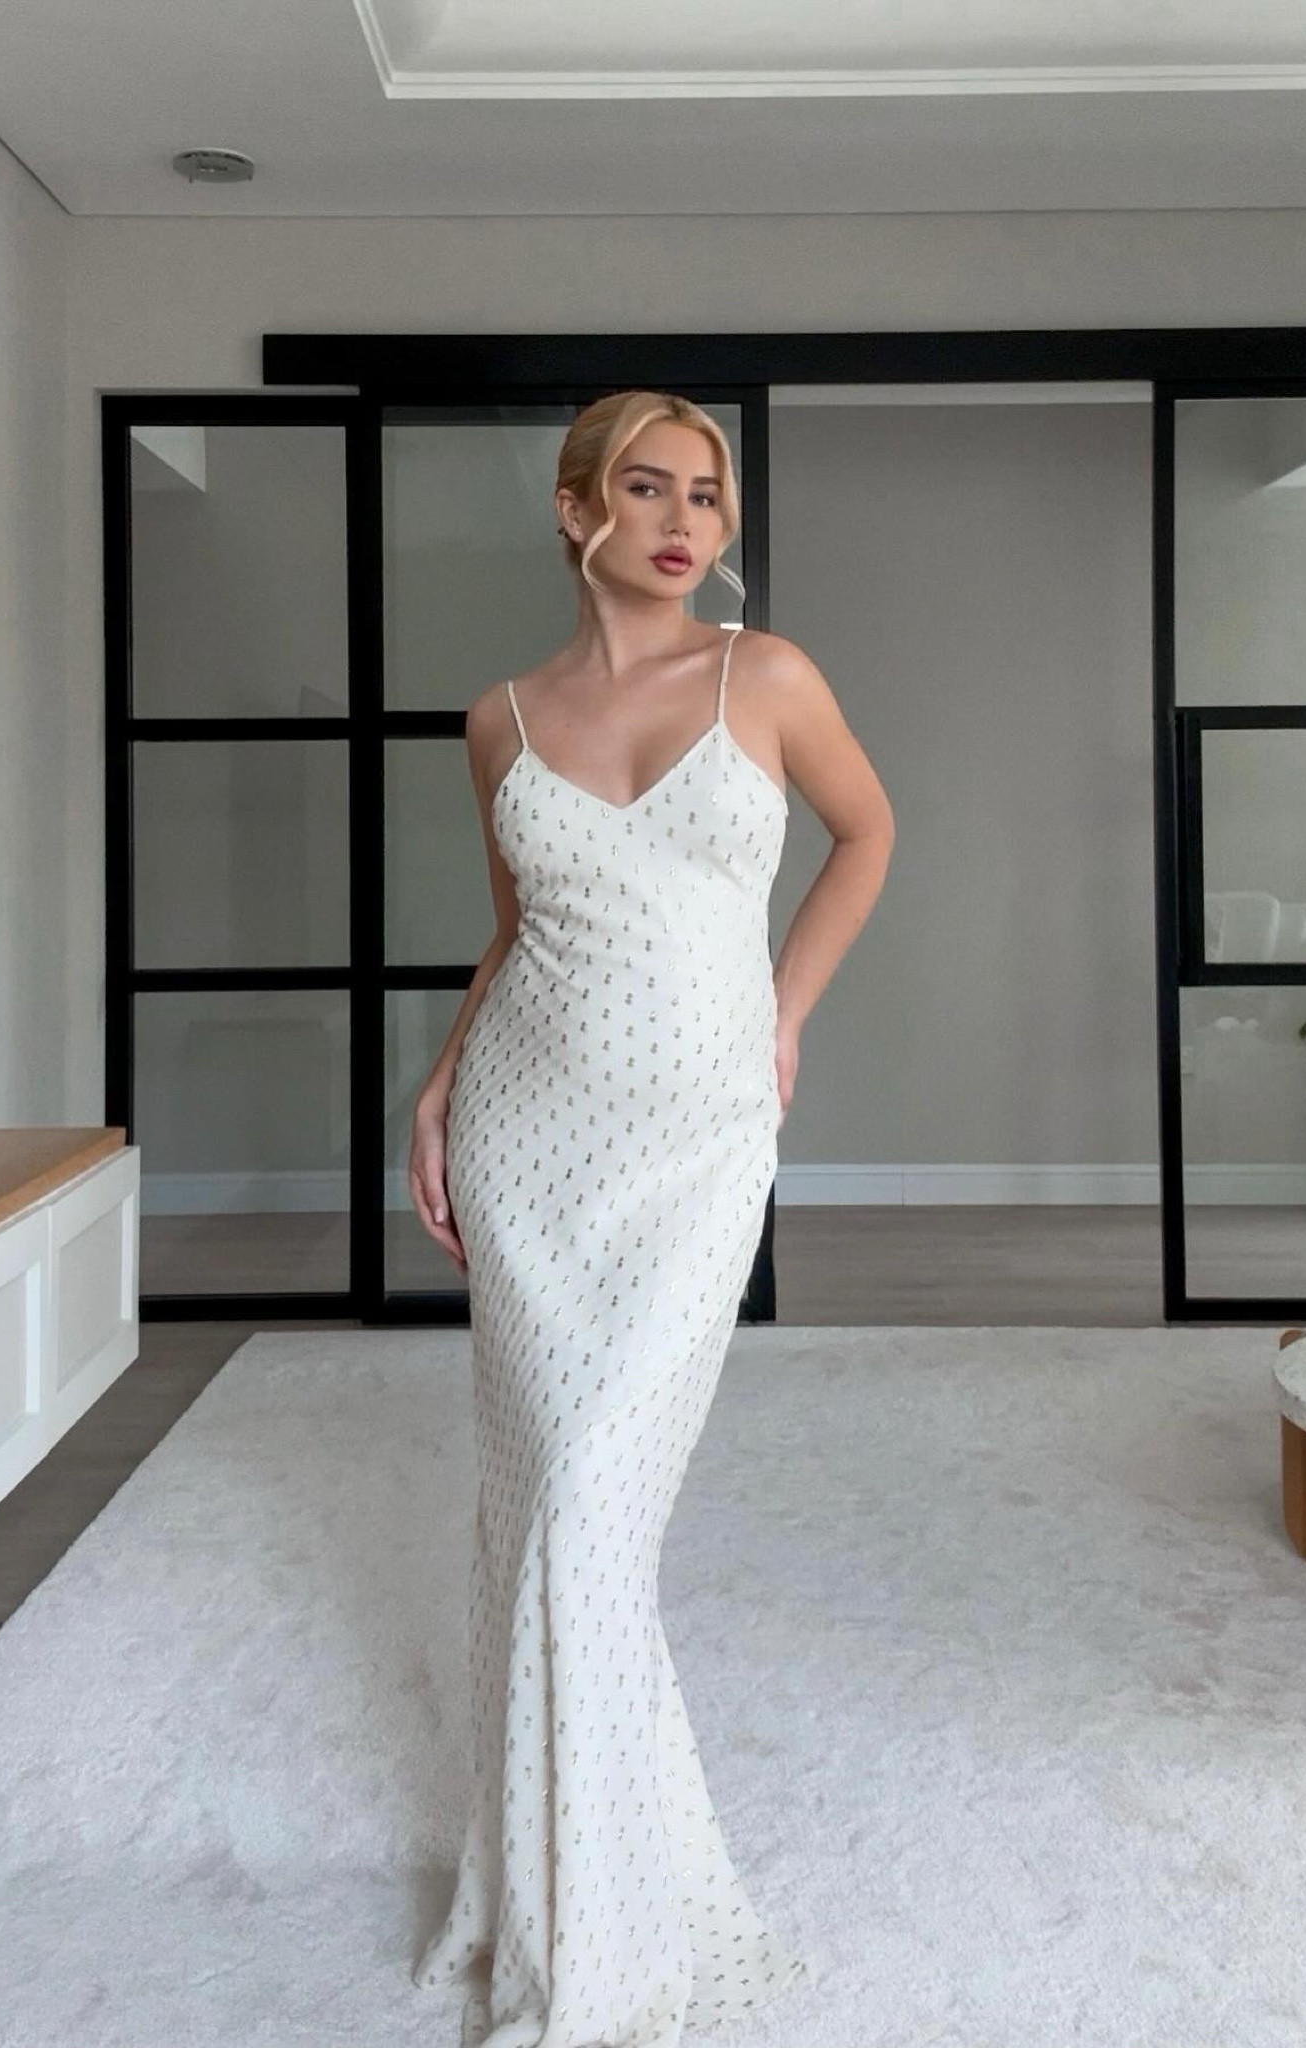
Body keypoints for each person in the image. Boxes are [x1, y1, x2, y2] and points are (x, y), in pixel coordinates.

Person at [407, 389, 895, 2046]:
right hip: (526, 1132)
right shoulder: (498, 720)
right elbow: (513, 929)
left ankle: (606, 1918)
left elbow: (866, 833)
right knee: (541, 1508)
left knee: (588, 1511)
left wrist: (784, 1011)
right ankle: (569, 1898)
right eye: (647, 486)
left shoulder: (766, 676)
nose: (686, 519)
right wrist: (440, 1079)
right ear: (576, 510)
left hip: (695, 1140)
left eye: (705, 492)